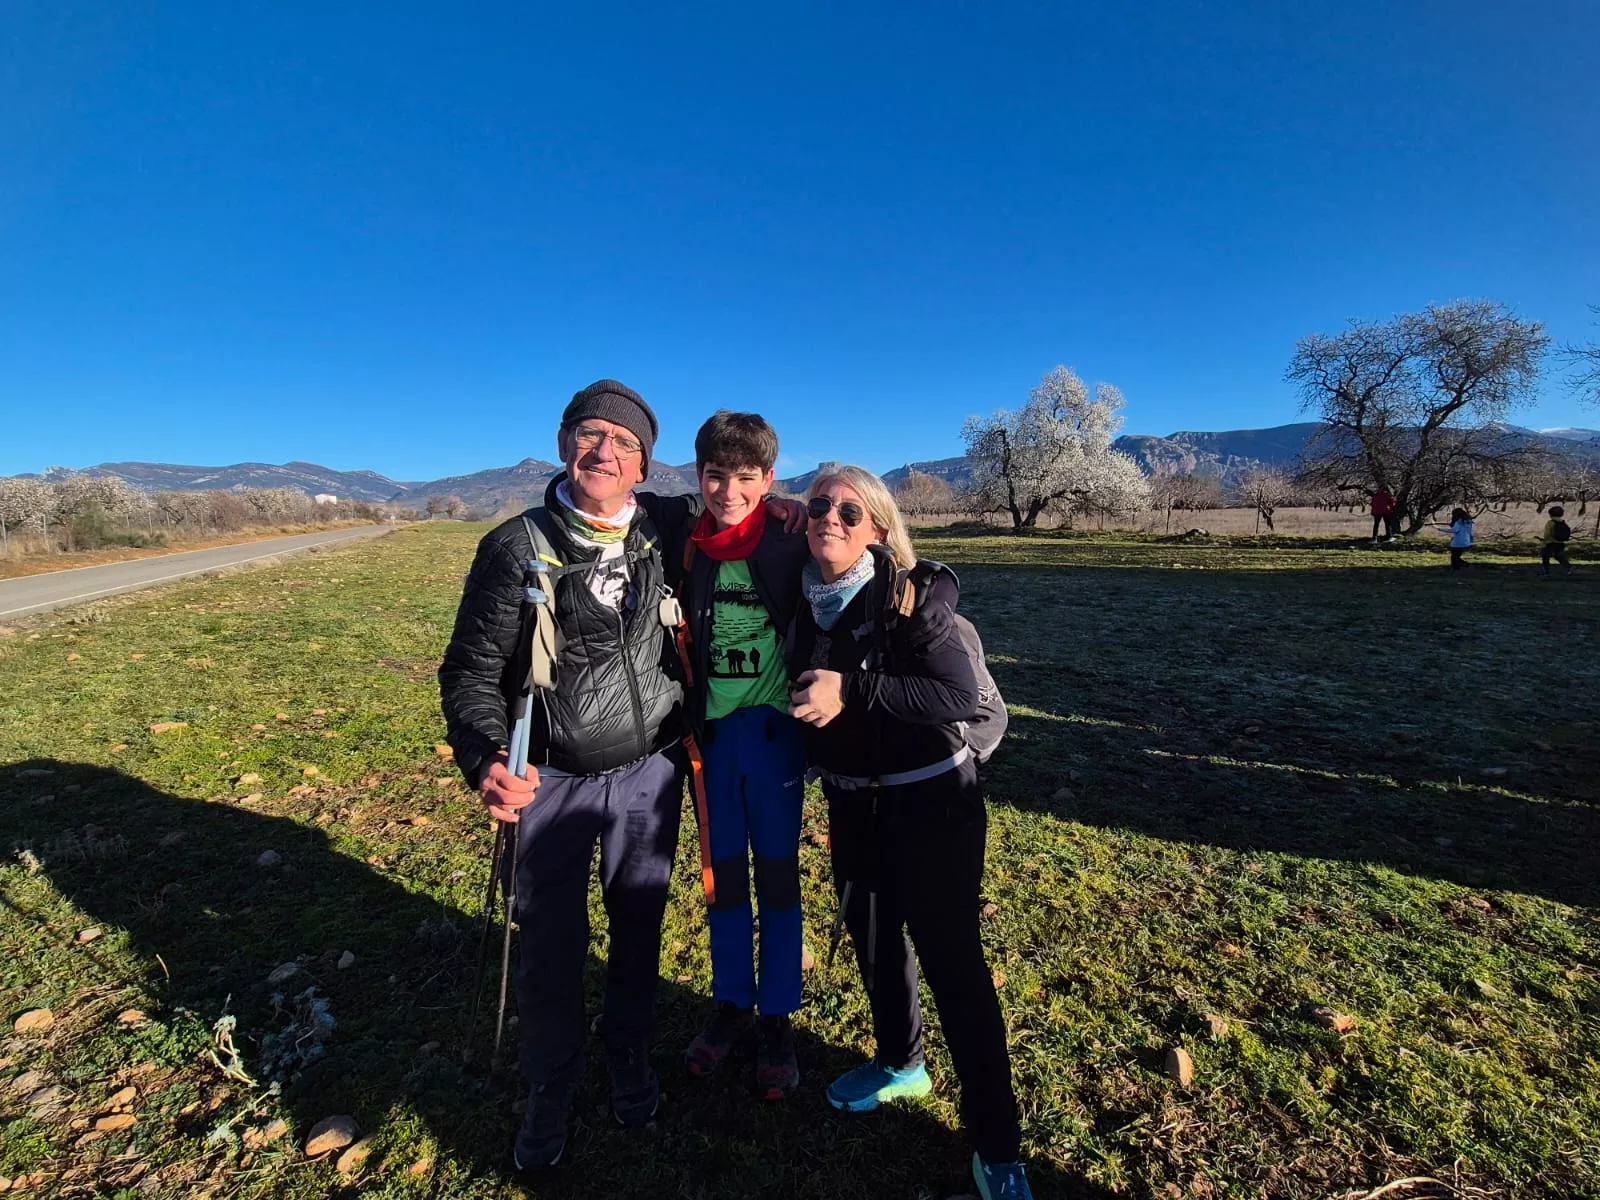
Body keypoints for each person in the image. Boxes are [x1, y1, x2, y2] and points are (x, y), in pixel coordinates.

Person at [439, 379, 688, 1175]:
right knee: (549, 943)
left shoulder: (663, 534)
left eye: (624, 443)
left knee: (639, 926)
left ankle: (628, 1051)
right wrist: (484, 761)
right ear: (563, 445)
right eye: (590, 435)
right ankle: (550, 1082)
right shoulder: (516, 546)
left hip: (651, 773)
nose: (604, 451)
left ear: (645, 466)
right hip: (545, 781)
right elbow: (471, 675)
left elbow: (753, 510)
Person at [785, 465, 1033, 1200]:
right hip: (853, 807)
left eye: (850, 511)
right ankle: (901, 1062)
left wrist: (852, 688)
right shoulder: (803, 604)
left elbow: (957, 693)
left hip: (933, 810)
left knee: (956, 972)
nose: (830, 517)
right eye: (819, 505)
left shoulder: (912, 600)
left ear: (879, 531)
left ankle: (1001, 1153)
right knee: (873, 941)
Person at [669, 412, 811, 1100]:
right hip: (715, 744)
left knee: (778, 880)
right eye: (715, 475)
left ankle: (779, 1015)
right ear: (698, 475)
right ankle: (730, 1002)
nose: (729, 490)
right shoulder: (685, 542)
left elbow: (864, 553)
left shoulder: (792, 537)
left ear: (769, 481)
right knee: (724, 879)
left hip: (776, 739)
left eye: (746, 478)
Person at [1541, 506, 1574, 577]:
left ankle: (1546, 572)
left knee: (1545, 557)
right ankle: (1568, 567)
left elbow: (1547, 534)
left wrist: (1544, 541)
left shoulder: (1550, 523)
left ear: (1551, 514)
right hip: (1560, 543)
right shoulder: (1563, 522)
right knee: (1559, 556)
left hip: (1550, 543)